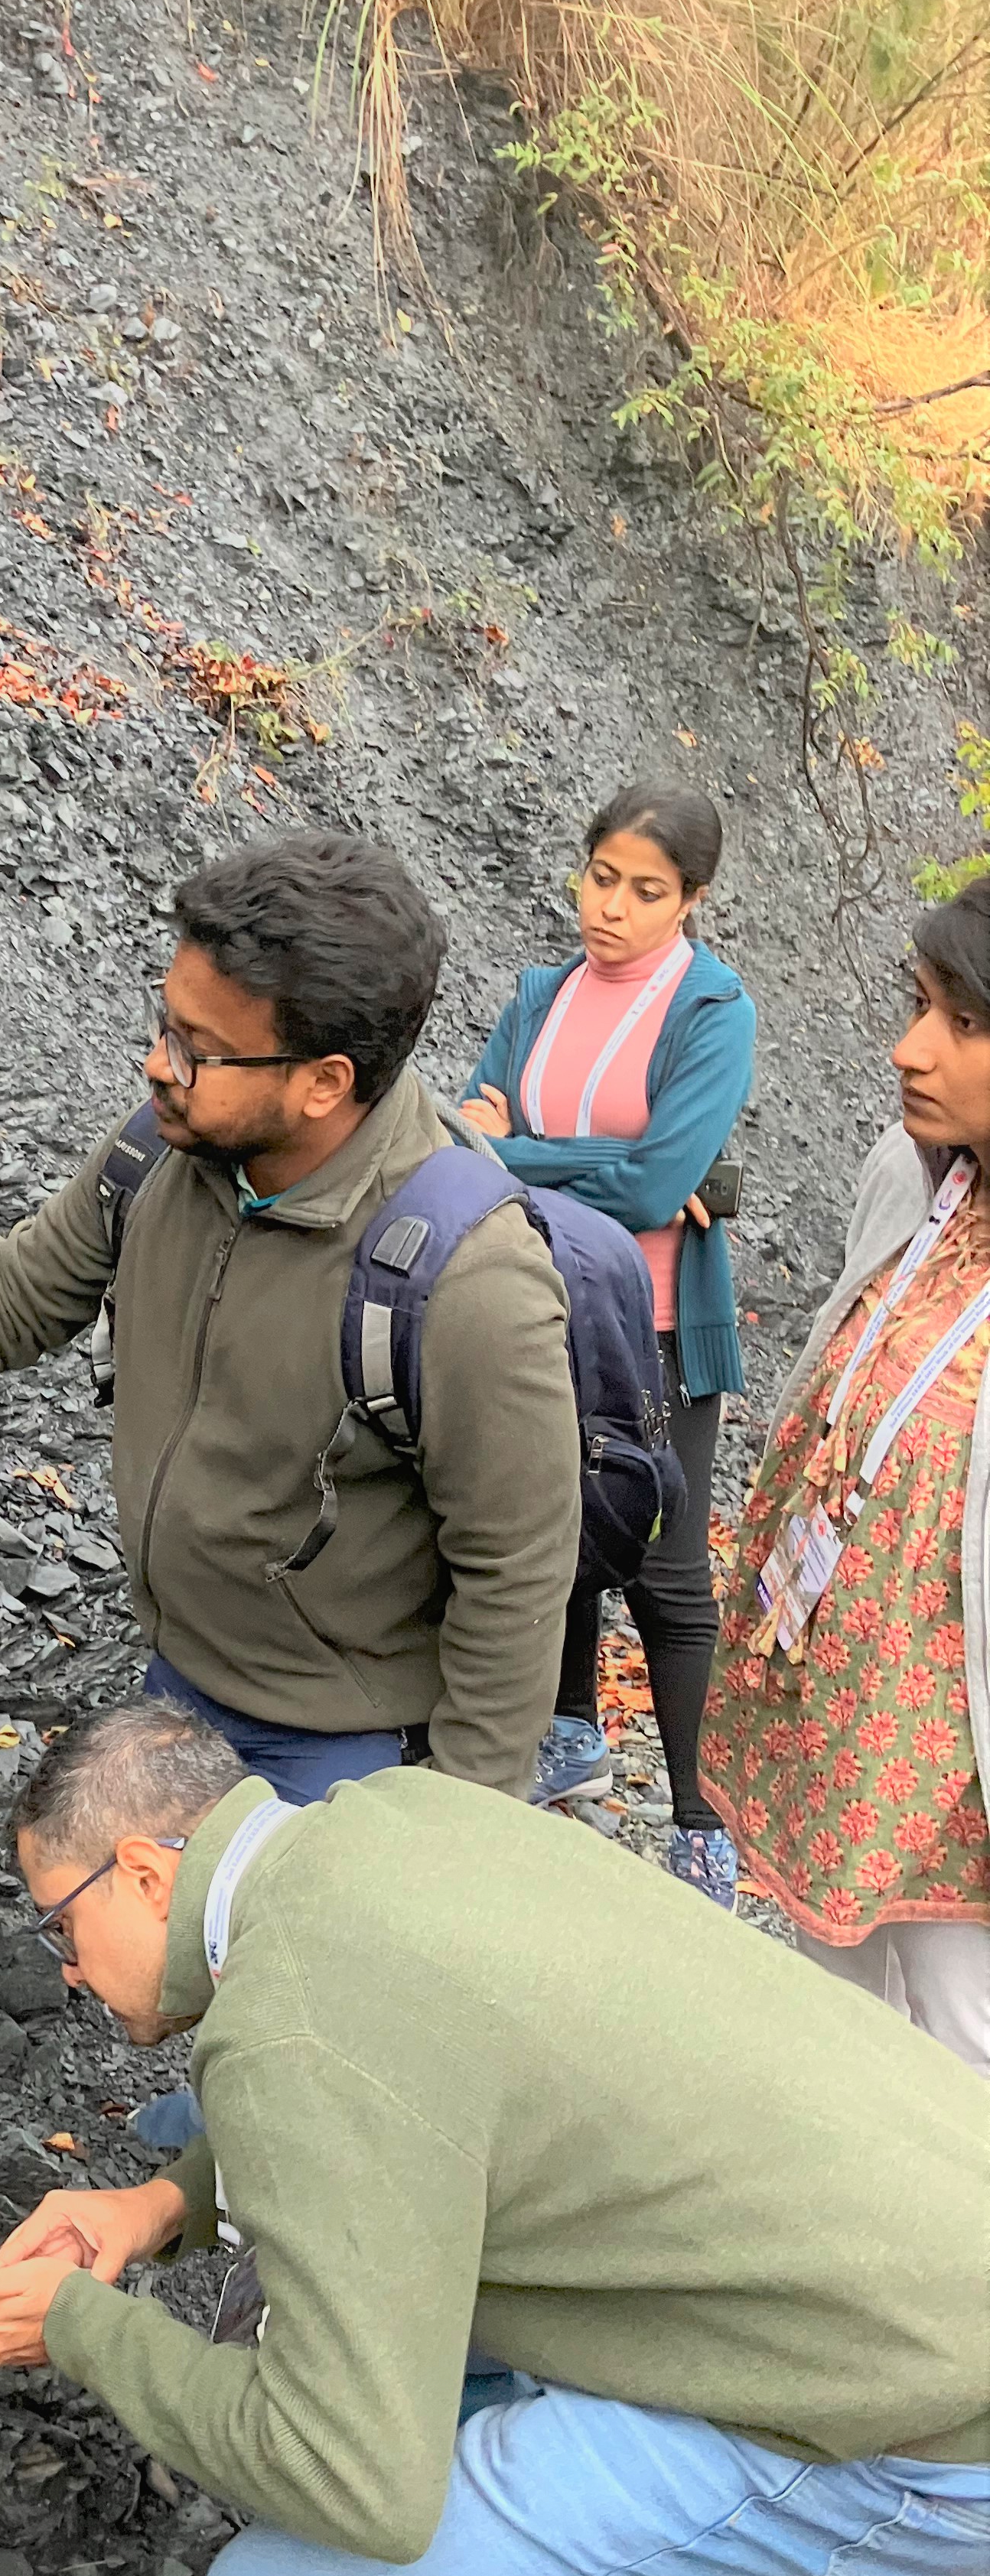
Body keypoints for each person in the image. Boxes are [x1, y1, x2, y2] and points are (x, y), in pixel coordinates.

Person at [0, 1702, 990, 2576]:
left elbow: (350, 2480)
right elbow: (411, 2084)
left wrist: (83, 2329)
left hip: (911, 2432)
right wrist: (161, 2203)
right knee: (363, 2321)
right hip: (914, 2257)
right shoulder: (395, 1821)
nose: (70, 1973)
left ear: (145, 1872)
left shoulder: (285, 2027)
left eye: (63, 1930)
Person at [0, 832, 581, 1803]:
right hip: (183, 1683)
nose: (156, 1064)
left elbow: (516, 1572)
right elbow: (20, 1290)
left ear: (324, 1082)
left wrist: (458, 1830)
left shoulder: (470, 1283)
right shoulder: (168, 1156)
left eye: (199, 1050)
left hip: (347, 1745)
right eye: (165, 1024)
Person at [702, 873, 990, 2076]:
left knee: (963, 2038)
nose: (908, 1048)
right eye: (918, 1004)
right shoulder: (921, 1171)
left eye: (961, 1022)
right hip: (837, 1708)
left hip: (955, 1761)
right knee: (831, 2031)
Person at [463, 787, 757, 1906]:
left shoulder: (713, 1009)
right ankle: (571, 1732)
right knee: (556, 1522)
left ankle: (703, 1825)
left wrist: (521, 1150)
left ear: (690, 901)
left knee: (671, 1572)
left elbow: (659, 1181)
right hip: (535, 1298)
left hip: (661, 1324)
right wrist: (591, 1159)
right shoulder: (541, 996)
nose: (614, 909)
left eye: (647, 891)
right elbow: (469, 1135)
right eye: (601, 877)